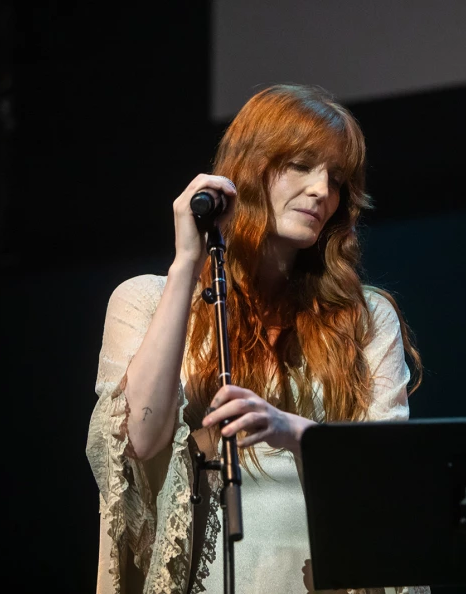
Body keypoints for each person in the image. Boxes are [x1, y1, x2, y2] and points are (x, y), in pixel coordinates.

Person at [86, 84, 429, 594]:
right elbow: (139, 438)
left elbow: (391, 470)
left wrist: (290, 429)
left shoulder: (363, 316)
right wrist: (187, 265)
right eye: (301, 165)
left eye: (336, 179)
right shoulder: (145, 301)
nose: (321, 191)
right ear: (249, 166)